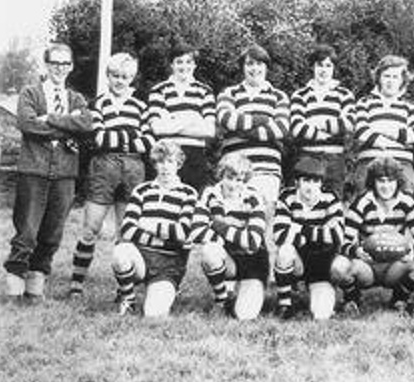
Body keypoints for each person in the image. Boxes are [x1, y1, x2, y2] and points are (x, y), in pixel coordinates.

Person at [3, 43, 92, 303]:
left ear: (71, 66)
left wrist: (50, 119)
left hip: (65, 174)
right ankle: (14, 289)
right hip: (34, 171)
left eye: (65, 64)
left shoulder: (76, 99)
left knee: (52, 233)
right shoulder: (30, 93)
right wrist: (68, 127)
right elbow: (27, 125)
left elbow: (87, 125)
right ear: (47, 64)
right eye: (55, 63)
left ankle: (35, 289)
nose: (60, 69)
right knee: (26, 231)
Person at [68, 53, 155, 298]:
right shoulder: (97, 104)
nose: (120, 80)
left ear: (133, 77)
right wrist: (130, 136)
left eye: (125, 76)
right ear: (108, 75)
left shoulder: (141, 106)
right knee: (91, 227)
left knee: (126, 231)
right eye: (115, 75)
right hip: (103, 167)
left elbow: (148, 141)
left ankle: (123, 288)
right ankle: (76, 284)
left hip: (133, 169)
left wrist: (116, 138)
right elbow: (98, 138)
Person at [331, 157, 414, 315]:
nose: (386, 187)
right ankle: (352, 298)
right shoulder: (361, 203)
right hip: (368, 266)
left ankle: (400, 298)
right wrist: (356, 252)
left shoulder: (408, 202)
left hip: (395, 266)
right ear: (373, 182)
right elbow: (343, 242)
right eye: (381, 181)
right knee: (338, 266)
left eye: (390, 181)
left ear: (398, 182)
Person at [111, 141, 197, 317]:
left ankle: (168, 289)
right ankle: (128, 298)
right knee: (121, 251)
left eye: (170, 162)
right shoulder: (141, 191)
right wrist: (164, 238)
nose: (165, 167)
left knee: (154, 314)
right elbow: (127, 229)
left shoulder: (188, 193)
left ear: (179, 164)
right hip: (141, 256)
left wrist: (147, 225)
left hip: (169, 264)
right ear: (155, 164)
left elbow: (182, 233)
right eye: (161, 162)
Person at [190, 151, 269, 319]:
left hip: (253, 262)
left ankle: (245, 291)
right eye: (229, 178)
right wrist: (233, 232)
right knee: (209, 251)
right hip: (228, 259)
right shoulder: (210, 194)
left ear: (246, 179)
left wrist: (220, 226)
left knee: (245, 316)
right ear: (221, 176)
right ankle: (222, 299)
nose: (233, 185)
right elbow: (197, 230)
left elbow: (253, 242)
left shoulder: (254, 197)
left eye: (239, 179)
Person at [216, 43, 290, 210]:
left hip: (267, 169)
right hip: (234, 171)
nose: (254, 68)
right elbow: (226, 119)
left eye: (259, 64)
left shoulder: (279, 96)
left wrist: (241, 130)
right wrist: (263, 119)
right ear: (243, 67)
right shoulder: (229, 93)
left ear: (266, 67)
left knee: (265, 220)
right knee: (234, 218)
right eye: (249, 64)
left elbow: (280, 129)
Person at [272, 157, 344, 320]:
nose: (310, 186)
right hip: (298, 258)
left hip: (322, 263)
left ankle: (317, 291)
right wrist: (318, 234)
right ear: (297, 182)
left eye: (315, 181)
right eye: (306, 180)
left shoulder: (330, 198)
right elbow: (279, 234)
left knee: (321, 315)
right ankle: (285, 303)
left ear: (321, 183)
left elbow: (336, 236)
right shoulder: (287, 197)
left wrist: (299, 228)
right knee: (285, 251)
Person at [148, 42, 217, 193]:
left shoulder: (204, 91)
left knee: (192, 201)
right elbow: (158, 128)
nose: (184, 66)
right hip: (166, 156)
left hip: (195, 156)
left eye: (188, 62)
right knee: (165, 200)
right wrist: (193, 118)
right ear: (172, 64)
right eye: (179, 62)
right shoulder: (158, 90)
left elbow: (209, 130)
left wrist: (172, 120)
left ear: (195, 65)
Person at [289, 44, 355, 197]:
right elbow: (297, 127)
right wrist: (326, 132)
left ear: (333, 68)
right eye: (319, 65)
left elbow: (348, 123)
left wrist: (316, 124)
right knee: (305, 204)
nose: (323, 70)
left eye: (328, 65)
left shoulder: (344, 95)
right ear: (313, 67)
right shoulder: (300, 95)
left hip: (334, 159)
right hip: (307, 157)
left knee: (333, 205)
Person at [351, 55, 414, 195]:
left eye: (395, 77)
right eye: (386, 76)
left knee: (405, 202)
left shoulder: (411, 106)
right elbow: (360, 130)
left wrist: (381, 130)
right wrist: (388, 141)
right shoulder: (364, 102)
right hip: (369, 161)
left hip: (402, 162)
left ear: (402, 80)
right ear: (378, 78)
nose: (390, 81)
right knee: (364, 204)